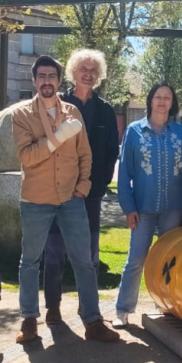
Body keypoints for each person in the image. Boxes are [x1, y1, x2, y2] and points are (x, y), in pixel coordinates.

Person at [12, 55, 119, 343]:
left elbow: (86, 154)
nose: (47, 81)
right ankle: (29, 319)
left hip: (72, 199)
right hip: (36, 200)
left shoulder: (73, 112)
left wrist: (83, 187)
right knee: (30, 261)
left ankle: (93, 321)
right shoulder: (21, 115)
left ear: (59, 81)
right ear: (34, 81)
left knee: (84, 261)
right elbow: (27, 156)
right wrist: (58, 136)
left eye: (51, 76)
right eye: (41, 76)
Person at [42, 49, 120, 325]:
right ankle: (52, 308)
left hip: (91, 195)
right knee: (54, 253)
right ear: (73, 73)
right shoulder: (57, 105)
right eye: (83, 69)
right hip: (58, 193)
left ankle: (89, 309)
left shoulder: (106, 111)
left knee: (90, 256)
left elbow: (111, 152)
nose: (88, 74)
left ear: (99, 76)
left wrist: (97, 184)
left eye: (93, 70)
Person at [114, 83, 182, 328]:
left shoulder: (181, 133)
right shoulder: (134, 131)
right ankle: (123, 309)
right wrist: (129, 208)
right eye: (158, 97)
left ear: (172, 103)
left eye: (167, 97)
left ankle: (165, 306)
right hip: (142, 209)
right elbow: (124, 173)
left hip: (174, 207)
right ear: (150, 101)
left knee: (169, 259)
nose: (162, 101)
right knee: (136, 259)